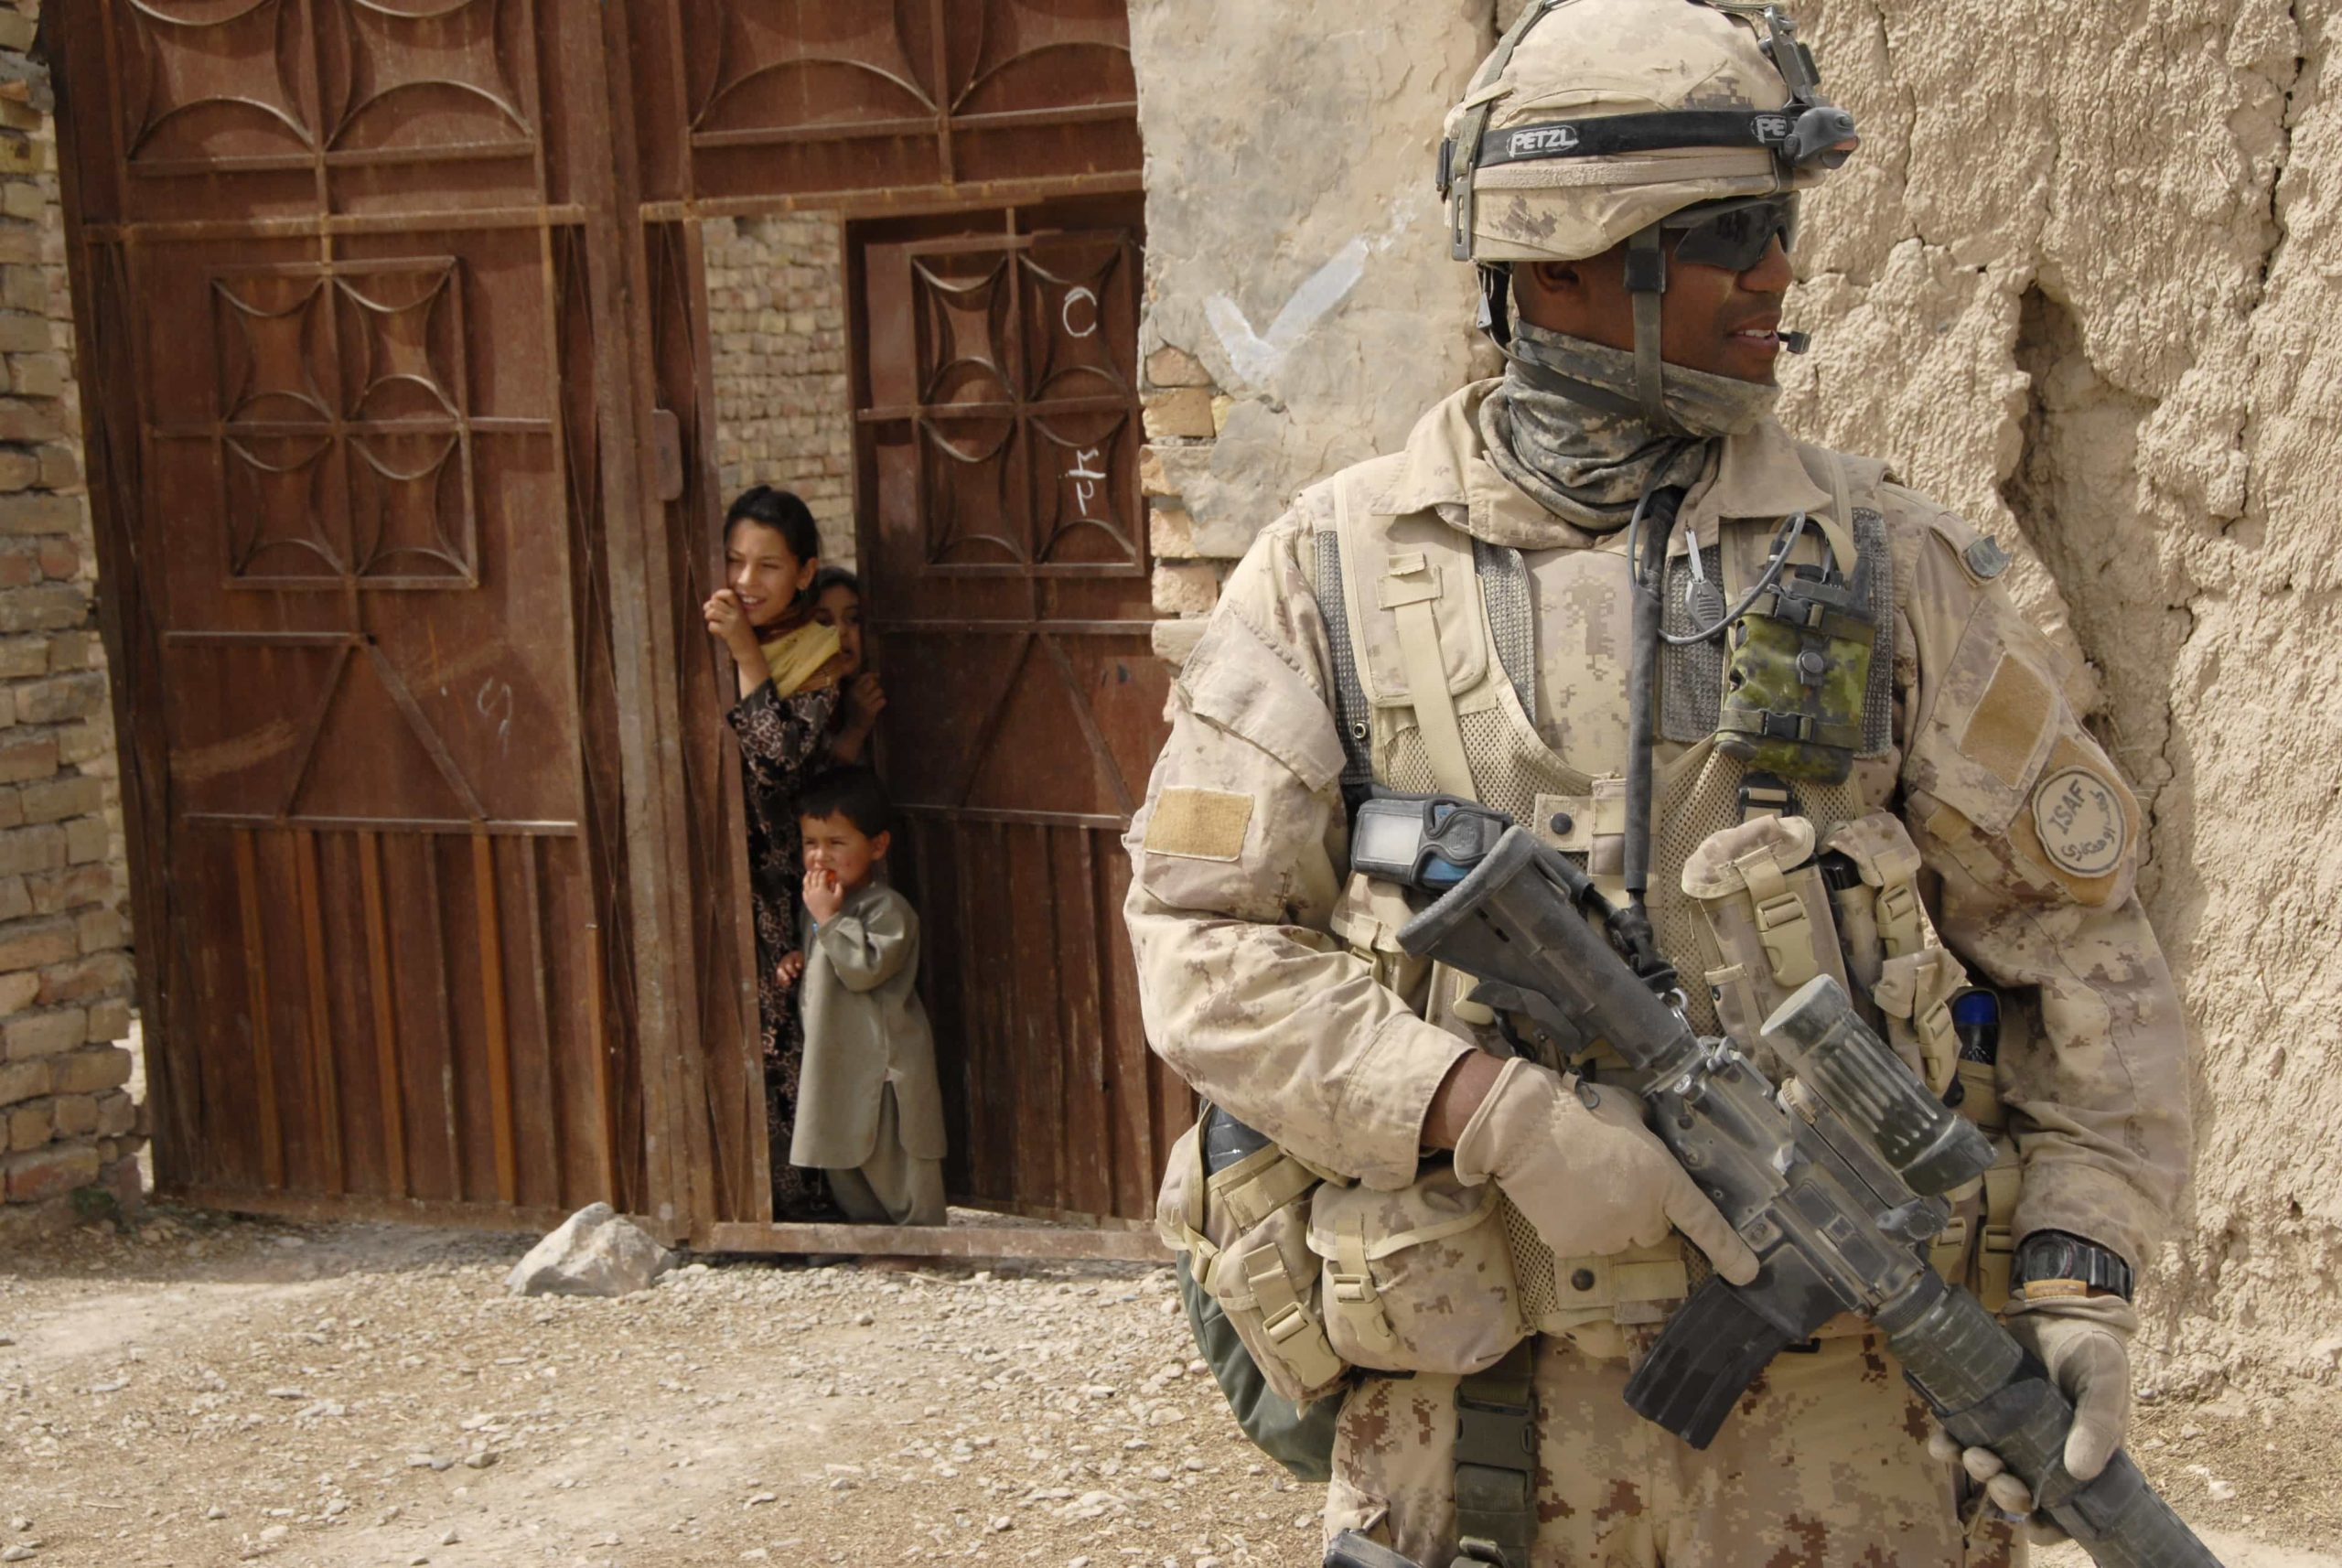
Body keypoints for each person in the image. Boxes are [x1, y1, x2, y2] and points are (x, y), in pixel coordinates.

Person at [1121, 3, 2191, 1565]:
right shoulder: (1330, 578)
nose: (1780, 272)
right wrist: (1489, 1112)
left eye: (1778, 230)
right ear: (1563, 260)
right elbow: (1202, 948)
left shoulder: (1883, 566)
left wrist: (2080, 1272)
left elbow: (2083, 942)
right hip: (1481, 1437)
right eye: (1731, 234)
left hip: (1850, 1449)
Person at [704, 484, 849, 1222]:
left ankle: (795, 1206)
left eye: (767, 567)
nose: (745, 583)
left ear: (804, 571)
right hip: (707, 866)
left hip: (783, 881)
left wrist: (743, 651)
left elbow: (779, 760)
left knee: (788, 1028)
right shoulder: (700, 635)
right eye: (734, 562)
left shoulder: (818, 655)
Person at [778, 768, 948, 1228]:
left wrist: (828, 921)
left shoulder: (887, 908)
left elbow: (864, 969)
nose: (820, 856)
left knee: (897, 1153)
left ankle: (920, 1241)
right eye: (811, 843)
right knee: (843, 1148)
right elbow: (826, 959)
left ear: (876, 846)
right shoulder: (821, 906)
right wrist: (800, 956)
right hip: (836, 1058)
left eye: (836, 843)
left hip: (885, 1061)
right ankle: (874, 1236)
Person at [810, 565, 886, 766]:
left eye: (853, 619)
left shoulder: (885, 686)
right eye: (823, 622)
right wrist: (856, 728)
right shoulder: (802, 706)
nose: (840, 631)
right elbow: (824, 786)